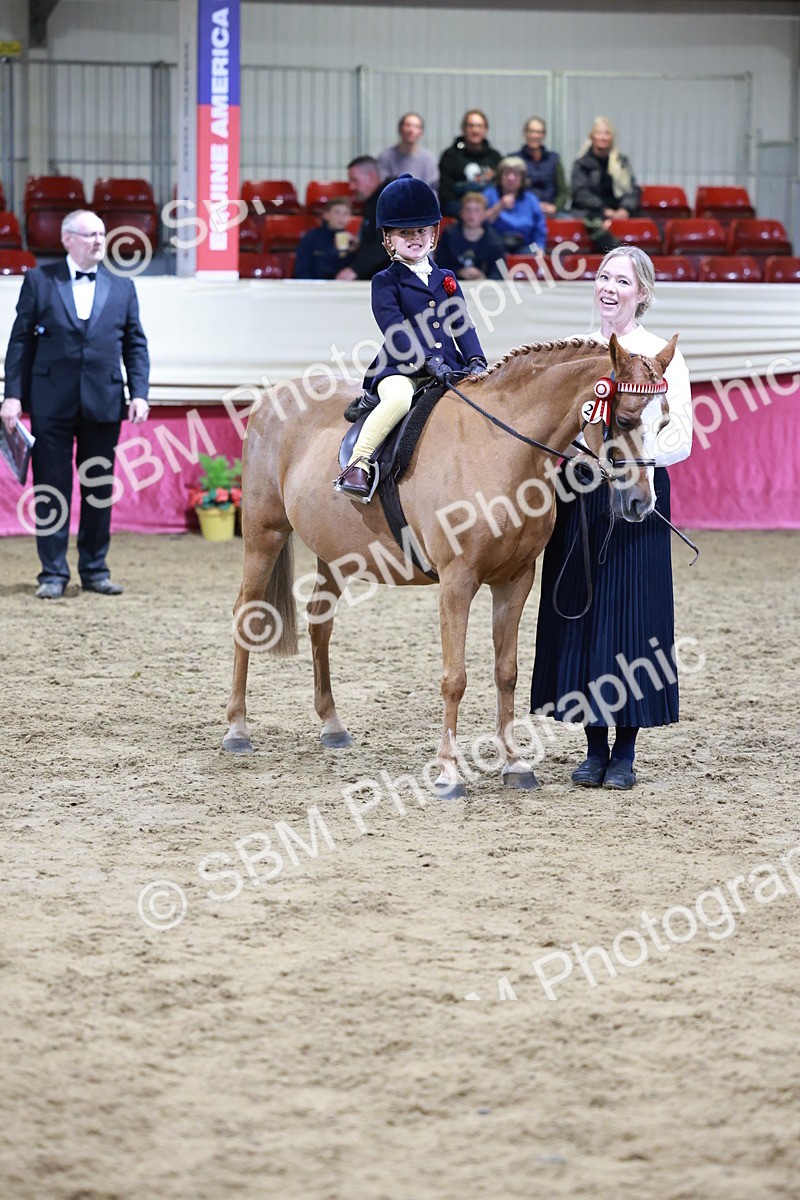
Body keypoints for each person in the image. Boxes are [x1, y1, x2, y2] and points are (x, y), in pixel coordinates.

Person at [529, 246, 693, 789]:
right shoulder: (581, 355)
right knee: (582, 612)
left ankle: (625, 752)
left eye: (621, 280)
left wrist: (633, 461)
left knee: (631, 616)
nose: (608, 287)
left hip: (638, 494)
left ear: (641, 293)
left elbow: (680, 436)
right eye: (602, 276)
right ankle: (592, 747)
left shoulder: (659, 355)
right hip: (580, 492)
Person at [1, 209, 150, 599]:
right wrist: (12, 395)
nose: (99, 241)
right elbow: (20, 341)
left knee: (98, 488)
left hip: (104, 402)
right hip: (51, 402)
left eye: (102, 234)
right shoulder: (38, 281)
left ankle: (95, 569)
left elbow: (135, 344)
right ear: (67, 239)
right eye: (89, 235)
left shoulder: (123, 287)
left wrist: (139, 393)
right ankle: (52, 572)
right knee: (51, 488)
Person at [334, 174, 487, 502]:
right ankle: (359, 463)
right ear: (388, 239)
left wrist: (475, 360)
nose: (415, 238)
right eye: (405, 232)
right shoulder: (385, 282)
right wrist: (427, 361)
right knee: (399, 401)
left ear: (434, 233)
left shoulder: (446, 279)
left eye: (421, 230)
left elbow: (462, 324)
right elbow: (395, 329)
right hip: (401, 369)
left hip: (449, 365)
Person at [570, 115, 641, 253]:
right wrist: (605, 210)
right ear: (592, 136)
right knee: (594, 225)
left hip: (621, 211)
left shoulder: (622, 161)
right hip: (592, 213)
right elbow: (580, 194)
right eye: (599, 133)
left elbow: (633, 190)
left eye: (607, 133)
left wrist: (625, 209)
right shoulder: (581, 163)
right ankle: (616, 253)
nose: (603, 137)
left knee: (650, 226)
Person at [438, 109, 502, 217]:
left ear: (486, 129)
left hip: (490, 212)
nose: (475, 130)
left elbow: (501, 190)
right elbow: (445, 193)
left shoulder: (495, 157)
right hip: (458, 212)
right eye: (470, 126)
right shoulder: (450, 156)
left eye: (479, 126)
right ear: (463, 128)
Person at [335, 156, 391, 281]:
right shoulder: (372, 202)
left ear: (370, 176)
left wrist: (355, 269)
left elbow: (387, 242)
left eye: (354, 180)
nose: (351, 187)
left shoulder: (390, 200)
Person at [434, 191, 506, 281]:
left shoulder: (494, 241)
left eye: (477, 210)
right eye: (468, 209)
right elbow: (439, 266)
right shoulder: (449, 235)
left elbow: (499, 274)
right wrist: (458, 272)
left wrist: (484, 278)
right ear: (461, 212)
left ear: (484, 214)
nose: (471, 214)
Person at [483, 156, 548, 253]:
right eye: (507, 173)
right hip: (495, 245)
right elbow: (478, 222)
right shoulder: (489, 194)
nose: (511, 178)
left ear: (522, 179)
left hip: (526, 245)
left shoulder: (531, 199)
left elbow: (540, 228)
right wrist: (499, 206)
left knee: (533, 255)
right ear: (500, 177)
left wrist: (540, 247)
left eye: (516, 174)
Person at [515, 116, 569, 216]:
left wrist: (555, 207)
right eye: (531, 131)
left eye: (539, 132)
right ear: (525, 134)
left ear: (543, 135)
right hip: (524, 210)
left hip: (552, 210)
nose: (535, 136)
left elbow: (563, 191)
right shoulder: (515, 160)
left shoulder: (554, 159)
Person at [293, 197, 356, 280]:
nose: (341, 217)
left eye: (345, 213)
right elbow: (302, 270)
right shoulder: (311, 238)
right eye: (337, 213)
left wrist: (355, 251)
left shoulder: (352, 242)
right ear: (326, 215)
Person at [378, 112, 439, 191]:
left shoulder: (428, 159)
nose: (411, 130)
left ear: (421, 132)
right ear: (400, 129)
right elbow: (383, 187)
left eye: (416, 127)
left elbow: (432, 188)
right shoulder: (386, 157)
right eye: (408, 125)